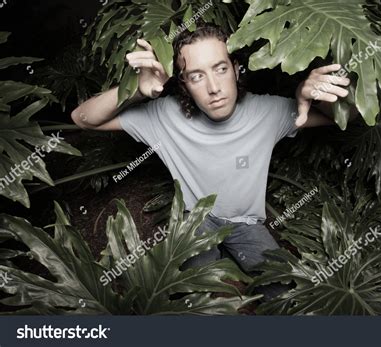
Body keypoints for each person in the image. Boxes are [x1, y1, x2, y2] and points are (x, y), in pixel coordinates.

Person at [71, 23, 352, 300]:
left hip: (247, 222)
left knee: (283, 292)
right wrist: (137, 90)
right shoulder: (164, 116)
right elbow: (83, 119)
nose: (214, 88)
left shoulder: (267, 111)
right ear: (182, 83)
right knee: (197, 298)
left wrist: (312, 95)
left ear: (236, 68)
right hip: (197, 219)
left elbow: (342, 118)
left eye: (220, 69)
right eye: (196, 76)